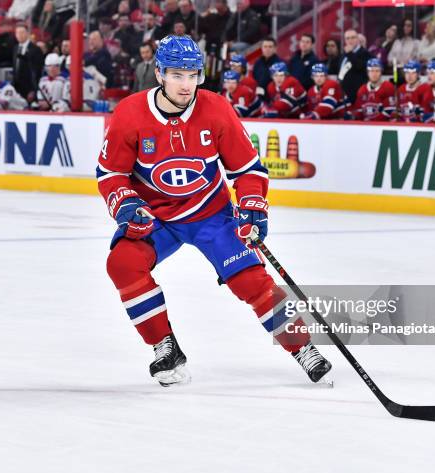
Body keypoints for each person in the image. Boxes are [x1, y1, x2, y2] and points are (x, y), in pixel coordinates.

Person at [96, 35, 332, 387]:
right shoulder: (130, 113)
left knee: (250, 279)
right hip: (156, 215)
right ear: (159, 73)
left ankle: (302, 348)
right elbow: (111, 173)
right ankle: (166, 348)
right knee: (122, 264)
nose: (185, 84)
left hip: (210, 212)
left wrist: (253, 206)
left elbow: (248, 169)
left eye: (192, 75)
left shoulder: (217, 108)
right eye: (177, 75)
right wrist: (127, 203)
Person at [338, 29, 372, 105]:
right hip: (343, 93)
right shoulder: (344, 54)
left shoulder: (365, 53)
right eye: (347, 38)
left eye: (353, 37)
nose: (350, 40)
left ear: (357, 39)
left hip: (357, 94)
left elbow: (360, 67)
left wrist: (350, 54)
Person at [12, 24, 44, 103]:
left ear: (27, 33)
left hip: (29, 89)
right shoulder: (15, 48)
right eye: (17, 33)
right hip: (17, 88)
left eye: (22, 32)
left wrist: (33, 90)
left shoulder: (35, 50)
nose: (19, 35)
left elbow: (37, 71)